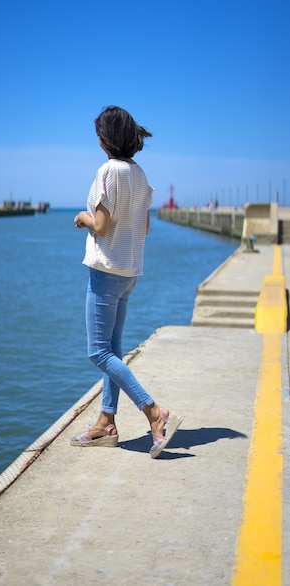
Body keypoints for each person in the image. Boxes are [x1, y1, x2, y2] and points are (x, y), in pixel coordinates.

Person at [71, 106, 182, 458]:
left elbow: (101, 225)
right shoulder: (139, 174)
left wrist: (82, 217)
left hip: (105, 272)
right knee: (113, 349)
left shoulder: (107, 171)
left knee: (98, 351)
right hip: (130, 271)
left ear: (106, 138)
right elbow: (144, 227)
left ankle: (153, 412)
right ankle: (106, 422)